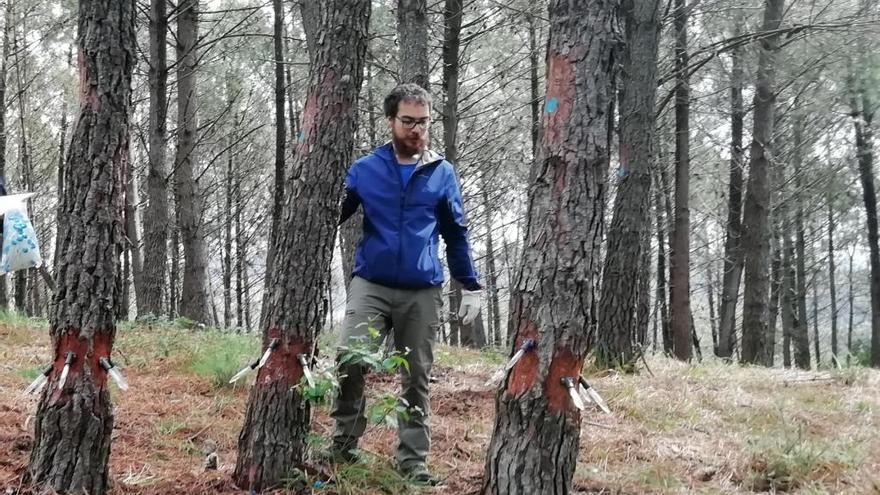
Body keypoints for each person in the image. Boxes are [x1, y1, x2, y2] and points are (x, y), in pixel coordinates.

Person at [332, 83, 482, 485]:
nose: (417, 130)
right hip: (372, 284)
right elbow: (330, 214)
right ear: (390, 121)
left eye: (424, 122)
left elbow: (456, 232)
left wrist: (470, 285)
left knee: (416, 376)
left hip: (422, 290)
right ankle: (343, 446)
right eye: (408, 121)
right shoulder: (365, 169)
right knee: (350, 359)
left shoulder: (441, 172)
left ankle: (412, 461)